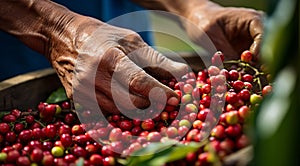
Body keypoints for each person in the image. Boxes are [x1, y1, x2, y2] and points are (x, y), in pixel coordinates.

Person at [0, 0, 263, 114]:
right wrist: (55, 28)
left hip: (128, 46)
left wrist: (195, 9)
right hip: (15, 54)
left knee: (144, 92)